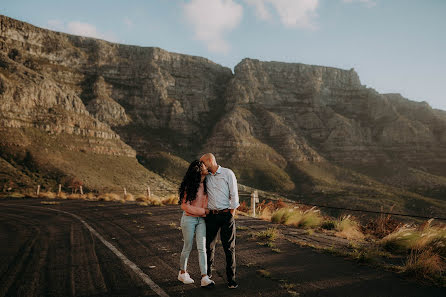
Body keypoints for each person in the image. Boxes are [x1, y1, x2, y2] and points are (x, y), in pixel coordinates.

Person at [199, 153, 240, 289]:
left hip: (226, 215)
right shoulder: (205, 176)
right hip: (211, 216)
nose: (202, 165)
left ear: (211, 161)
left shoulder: (228, 173)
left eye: (203, 162)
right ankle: (207, 277)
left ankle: (231, 280)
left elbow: (234, 195)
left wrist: (231, 215)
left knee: (229, 248)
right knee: (208, 247)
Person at [178, 160, 215, 288]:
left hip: (201, 220)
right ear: (199, 169)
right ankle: (182, 273)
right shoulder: (189, 185)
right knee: (187, 246)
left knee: (202, 248)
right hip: (189, 219)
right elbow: (184, 205)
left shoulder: (207, 182)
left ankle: (205, 277)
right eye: (204, 165)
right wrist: (203, 211)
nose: (207, 167)